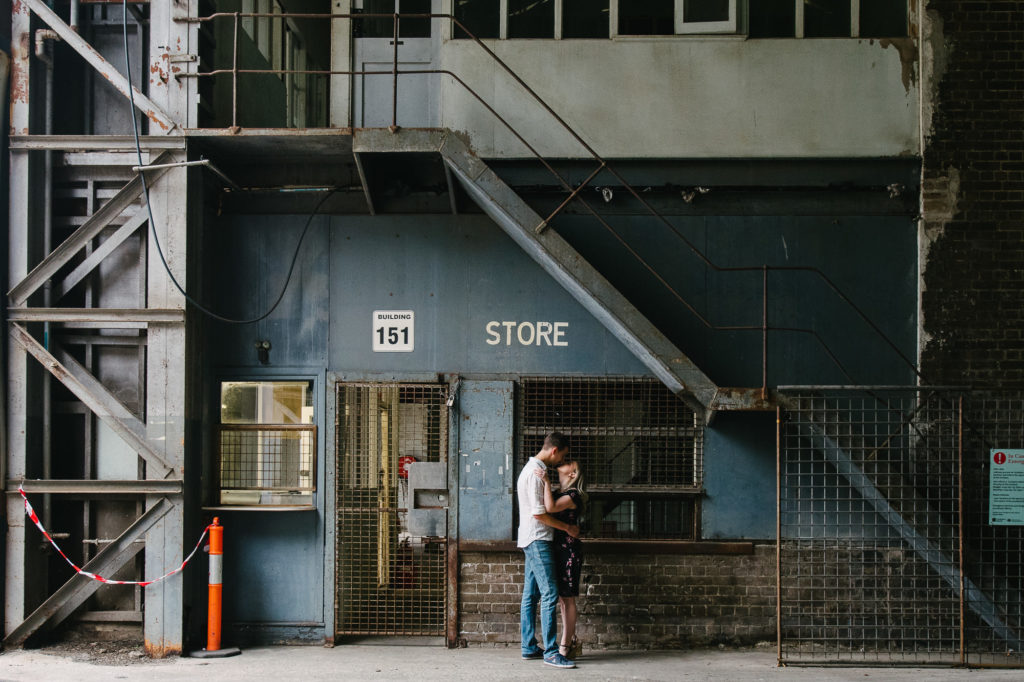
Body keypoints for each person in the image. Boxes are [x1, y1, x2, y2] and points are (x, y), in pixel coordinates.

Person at [517, 432, 579, 669]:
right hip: (538, 539)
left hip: (529, 538)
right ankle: (552, 652)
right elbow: (539, 513)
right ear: (554, 451)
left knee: (531, 595)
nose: (561, 460)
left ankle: (529, 646)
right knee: (550, 593)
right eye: (562, 455)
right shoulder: (535, 473)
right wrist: (567, 527)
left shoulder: (531, 469)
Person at [536, 459, 587, 660]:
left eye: (569, 464)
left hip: (569, 551)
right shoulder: (561, 493)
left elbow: (549, 507)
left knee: (567, 598)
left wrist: (546, 481)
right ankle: (570, 641)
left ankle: (565, 645)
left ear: (573, 474)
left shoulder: (573, 495)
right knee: (561, 598)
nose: (563, 464)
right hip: (558, 549)